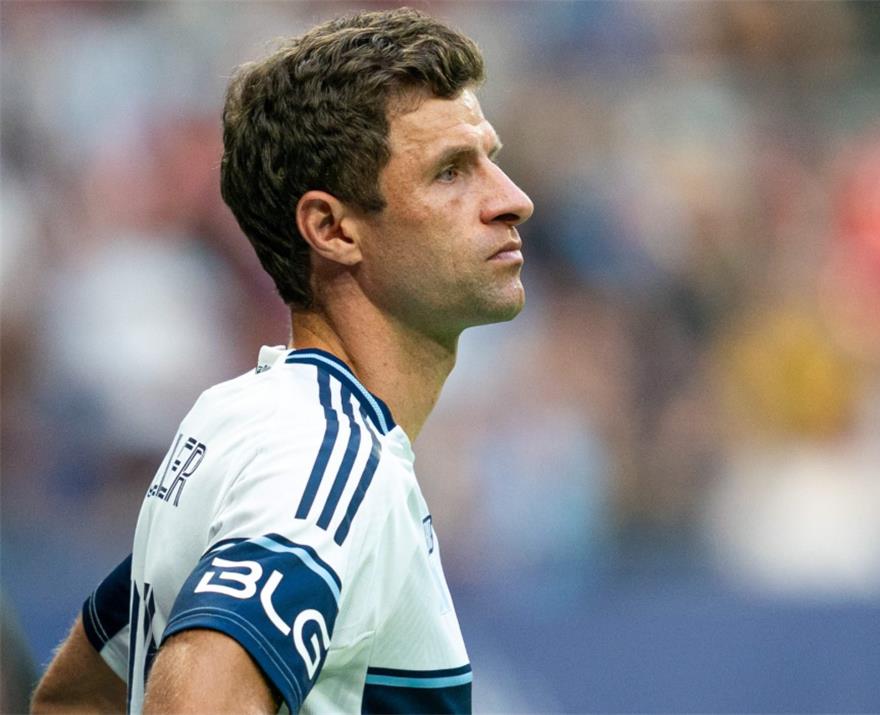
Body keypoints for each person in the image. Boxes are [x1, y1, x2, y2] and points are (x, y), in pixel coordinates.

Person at [31, 8, 533, 714]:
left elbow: (74, 700)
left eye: (490, 159)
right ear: (332, 229)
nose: (513, 200)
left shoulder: (239, 421)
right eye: (450, 172)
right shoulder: (328, 462)